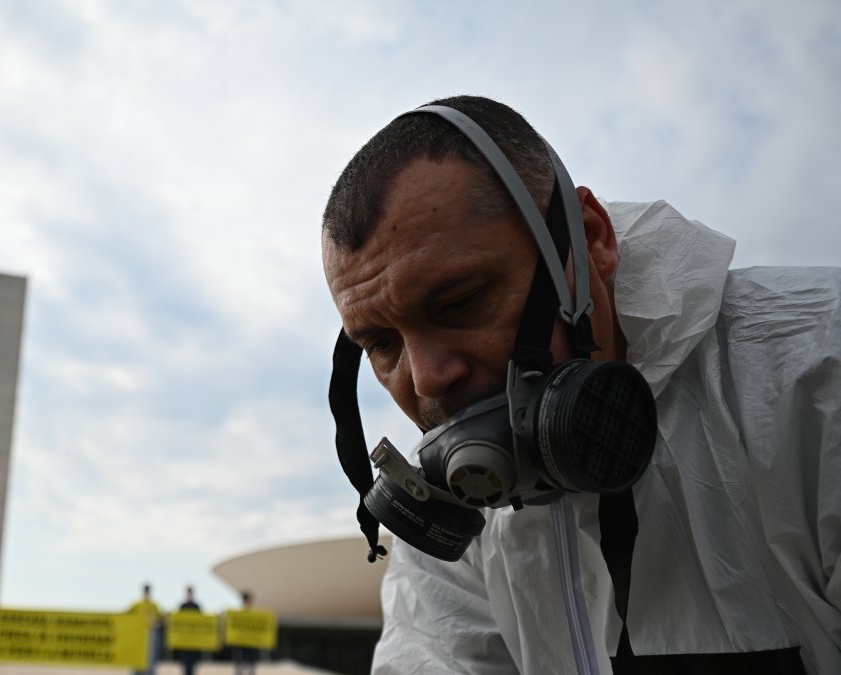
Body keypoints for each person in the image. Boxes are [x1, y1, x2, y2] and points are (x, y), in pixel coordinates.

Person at [321, 95, 840, 674]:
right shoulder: (461, 510)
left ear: (591, 238)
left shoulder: (816, 379)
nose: (427, 380)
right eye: (382, 344)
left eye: (461, 302)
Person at [127, 583, 163, 675]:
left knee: (151, 657)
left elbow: (160, 619)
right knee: (137, 655)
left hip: (151, 633)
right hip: (138, 635)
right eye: (146, 590)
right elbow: (126, 616)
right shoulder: (137, 604)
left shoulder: (154, 605)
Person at [175, 585, 204, 675]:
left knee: (193, 664)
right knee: (184, 664)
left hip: (194, 641)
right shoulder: (182, 606)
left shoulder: (197, 606)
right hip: (184, 640)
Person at [233, 590, 258, 675]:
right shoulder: (239, 615)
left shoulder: (254, 615)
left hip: (251, 644)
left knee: (251, 666)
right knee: (239, 665)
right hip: (241, 644)